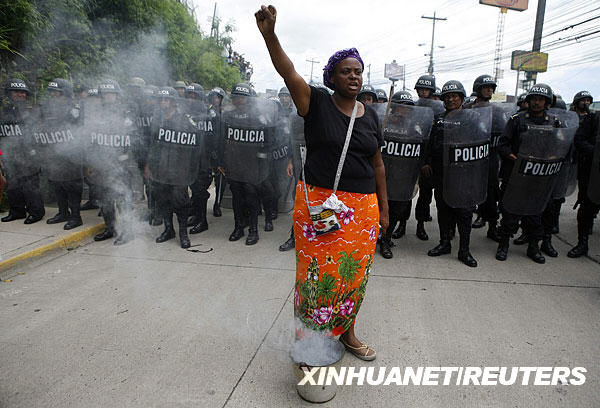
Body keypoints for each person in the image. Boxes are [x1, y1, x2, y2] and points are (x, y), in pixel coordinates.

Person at [256, 5, 389, 360]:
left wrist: (384, 211)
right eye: (346, 71)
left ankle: (347, 334)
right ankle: (307, 342)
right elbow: (288, 72)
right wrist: (270, 36)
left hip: (362, 211)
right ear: (333, 78)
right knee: (316, 279)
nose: (354, 77)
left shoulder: (372, 115)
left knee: (352, 278)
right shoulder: (314, 102)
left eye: (358, 72)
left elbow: (378, 165)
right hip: (320, 206)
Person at [496, 83, 574, 264]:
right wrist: (515, 159)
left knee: (536, 214)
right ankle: (504, 245)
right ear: (529, 101)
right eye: (534, 99)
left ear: (547, 103)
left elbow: (564, 148)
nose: (537, 103)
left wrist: (554, 157)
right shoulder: (516, 119)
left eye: (541, 100)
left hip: (540, 177)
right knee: (510, 213)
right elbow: (503, 144)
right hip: (517, 175)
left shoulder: (555, 122)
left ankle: (534, 247)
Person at [422, 80, 488, 268]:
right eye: (447, 97)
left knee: (465, 213)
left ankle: (464, 250)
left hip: (464, 175)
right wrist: (426, 162)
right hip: (441, 174)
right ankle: (444, 243)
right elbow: (429, 142)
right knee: (443, 210)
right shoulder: (438, 118)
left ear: (461, 98)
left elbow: (481, 143)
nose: (451, 99)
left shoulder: (473, 118)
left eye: (454, 96)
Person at [378, 90, 433, 259]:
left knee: (396, 211)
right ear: (394, 107)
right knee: (379, 210)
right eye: (401, 107)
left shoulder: (415, 127)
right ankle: (377, 238)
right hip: (383, 176)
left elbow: (422, 148)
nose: (404, 111)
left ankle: (386, 240)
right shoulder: (383, 123)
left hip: (403, 177)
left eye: (408, 108)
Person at [219, 83, 276, 245]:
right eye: (237, 97)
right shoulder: (229, 116)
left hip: (253, 165)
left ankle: (253, 230)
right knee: (237, 197)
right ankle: (238, 227)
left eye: (243, 97)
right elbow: (221, 139)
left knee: (251, 196)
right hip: (234, 163)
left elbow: (270, 139)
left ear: (249, 99)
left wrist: (262, 157)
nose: (239, 100)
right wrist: (221, 161)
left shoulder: (259, 116)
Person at [146, 86, 203, 248]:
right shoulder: (157, 120)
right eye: (161, 100)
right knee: (163, 201)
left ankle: (183, 233)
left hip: (179, 170)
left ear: (173, 102)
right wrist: (148, 166)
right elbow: (152, 145)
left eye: (167, 99)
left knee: (180, 202)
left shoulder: (185, 121)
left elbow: (195, 147)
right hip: (160, 169)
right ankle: (168, 229)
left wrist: (189, 170)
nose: (164, 102)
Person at [87, 79, 137, 245]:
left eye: (111, 93)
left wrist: (126, 159)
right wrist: (92, 163)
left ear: (117, 95)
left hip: (121, 165)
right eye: (105, 94)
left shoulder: (126, 113)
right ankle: (110, 228)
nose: (108, 97)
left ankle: (128, 231)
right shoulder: (97, 114)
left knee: (122, 200)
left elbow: (134, 140)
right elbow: (92, 141)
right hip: (102, 165)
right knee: (105, 200)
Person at [35, 78, 84, 230]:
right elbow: (40, 126)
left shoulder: (75, 108)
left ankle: (76, 216)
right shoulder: (47, 108)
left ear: (66, 94)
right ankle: (63, 212)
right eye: (52, 93)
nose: (54, 96)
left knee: (72, 185)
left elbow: (81, 130)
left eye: (58, 93)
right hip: (53, 153)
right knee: (57, 184)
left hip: (71, 154)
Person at [0, 78, 45, 224]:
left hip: (29, 155)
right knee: (13, 185)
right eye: (15, 92)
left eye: (22, 92)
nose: (19, 95)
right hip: (10, 155)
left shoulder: (33, 111)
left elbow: (40, 134)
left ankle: (36, 212)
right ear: (9, 94)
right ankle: (17, 211)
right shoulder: (4, 112)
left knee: (30, 186)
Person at [568, 96, 598, 258]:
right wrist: (595, 153)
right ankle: (582, 243)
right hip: (592, 171)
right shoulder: (594, 119)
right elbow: (579, 140)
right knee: (587, 207)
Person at [412, 74, 440, 241]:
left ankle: (420, 225)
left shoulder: (440, 109)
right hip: (416, 155)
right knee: (412, 193)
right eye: (421, 89)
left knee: (428, 195)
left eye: (427, 89)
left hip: (434, 156)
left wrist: (429, 161)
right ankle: (407, 224)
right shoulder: (413, 107)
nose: (423, 92)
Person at [208, 87, 226, 217]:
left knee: (220, 179)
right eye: (213, 97)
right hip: (208, 149)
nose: (216, 100)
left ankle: (217, 204)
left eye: (218, 97)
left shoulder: (226, 113)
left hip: (222, 150)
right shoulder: (208, 112)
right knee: (205, 177)